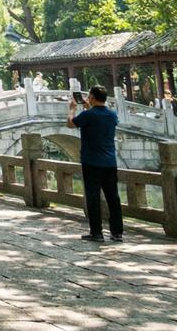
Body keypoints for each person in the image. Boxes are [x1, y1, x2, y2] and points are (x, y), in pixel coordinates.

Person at [68, 85, 123, 242]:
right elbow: (98, 120)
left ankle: (96, 233)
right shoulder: (112, 115)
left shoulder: (89, 115)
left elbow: (71, 123)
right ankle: (117, 232)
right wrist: (88, 108)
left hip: (91, 162)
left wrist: (72, 109)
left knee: (93, 197)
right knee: (113, 197)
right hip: (110, 162)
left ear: (92, 97)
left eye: (89, 97)